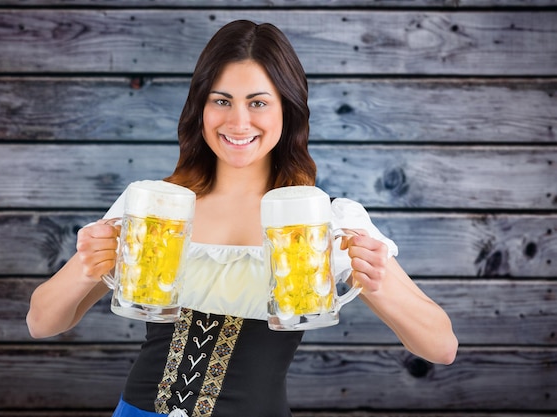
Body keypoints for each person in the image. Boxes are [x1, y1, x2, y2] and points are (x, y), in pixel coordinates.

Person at [27, 19, 458, 417]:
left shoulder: (319, 222)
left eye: (257, 102)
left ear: (286, 110)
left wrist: (376, 283)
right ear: (201, 108)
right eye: (222, 100)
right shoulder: (154, 209)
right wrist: (87, 268)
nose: (238, 121)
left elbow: (441, 346)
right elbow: (42, 322)